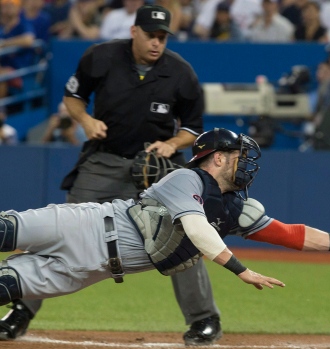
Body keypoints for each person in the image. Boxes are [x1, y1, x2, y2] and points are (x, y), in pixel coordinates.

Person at [0, 128, 330, 338]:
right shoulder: (186, 179)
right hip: (86, 225)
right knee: (4, 230)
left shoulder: (233, 207)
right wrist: (241, 269)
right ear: (216, 157)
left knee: (5, 286)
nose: (246, 162)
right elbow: (197, 227)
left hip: (92, 270)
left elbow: (290, 234)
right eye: (237, 154)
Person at [0, 4, 211, 345]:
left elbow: (193, 129)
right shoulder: (102, 57)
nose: (157, 43)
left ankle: (204, 319)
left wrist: (173, 143)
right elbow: (73, 97)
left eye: (162, 37)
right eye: (151, 35)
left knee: (184, 239)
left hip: (156, 172)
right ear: (134, 31)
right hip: (104, 162)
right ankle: (21, 310)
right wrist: (85, 121)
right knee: (57, 232)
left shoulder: (181, 72)